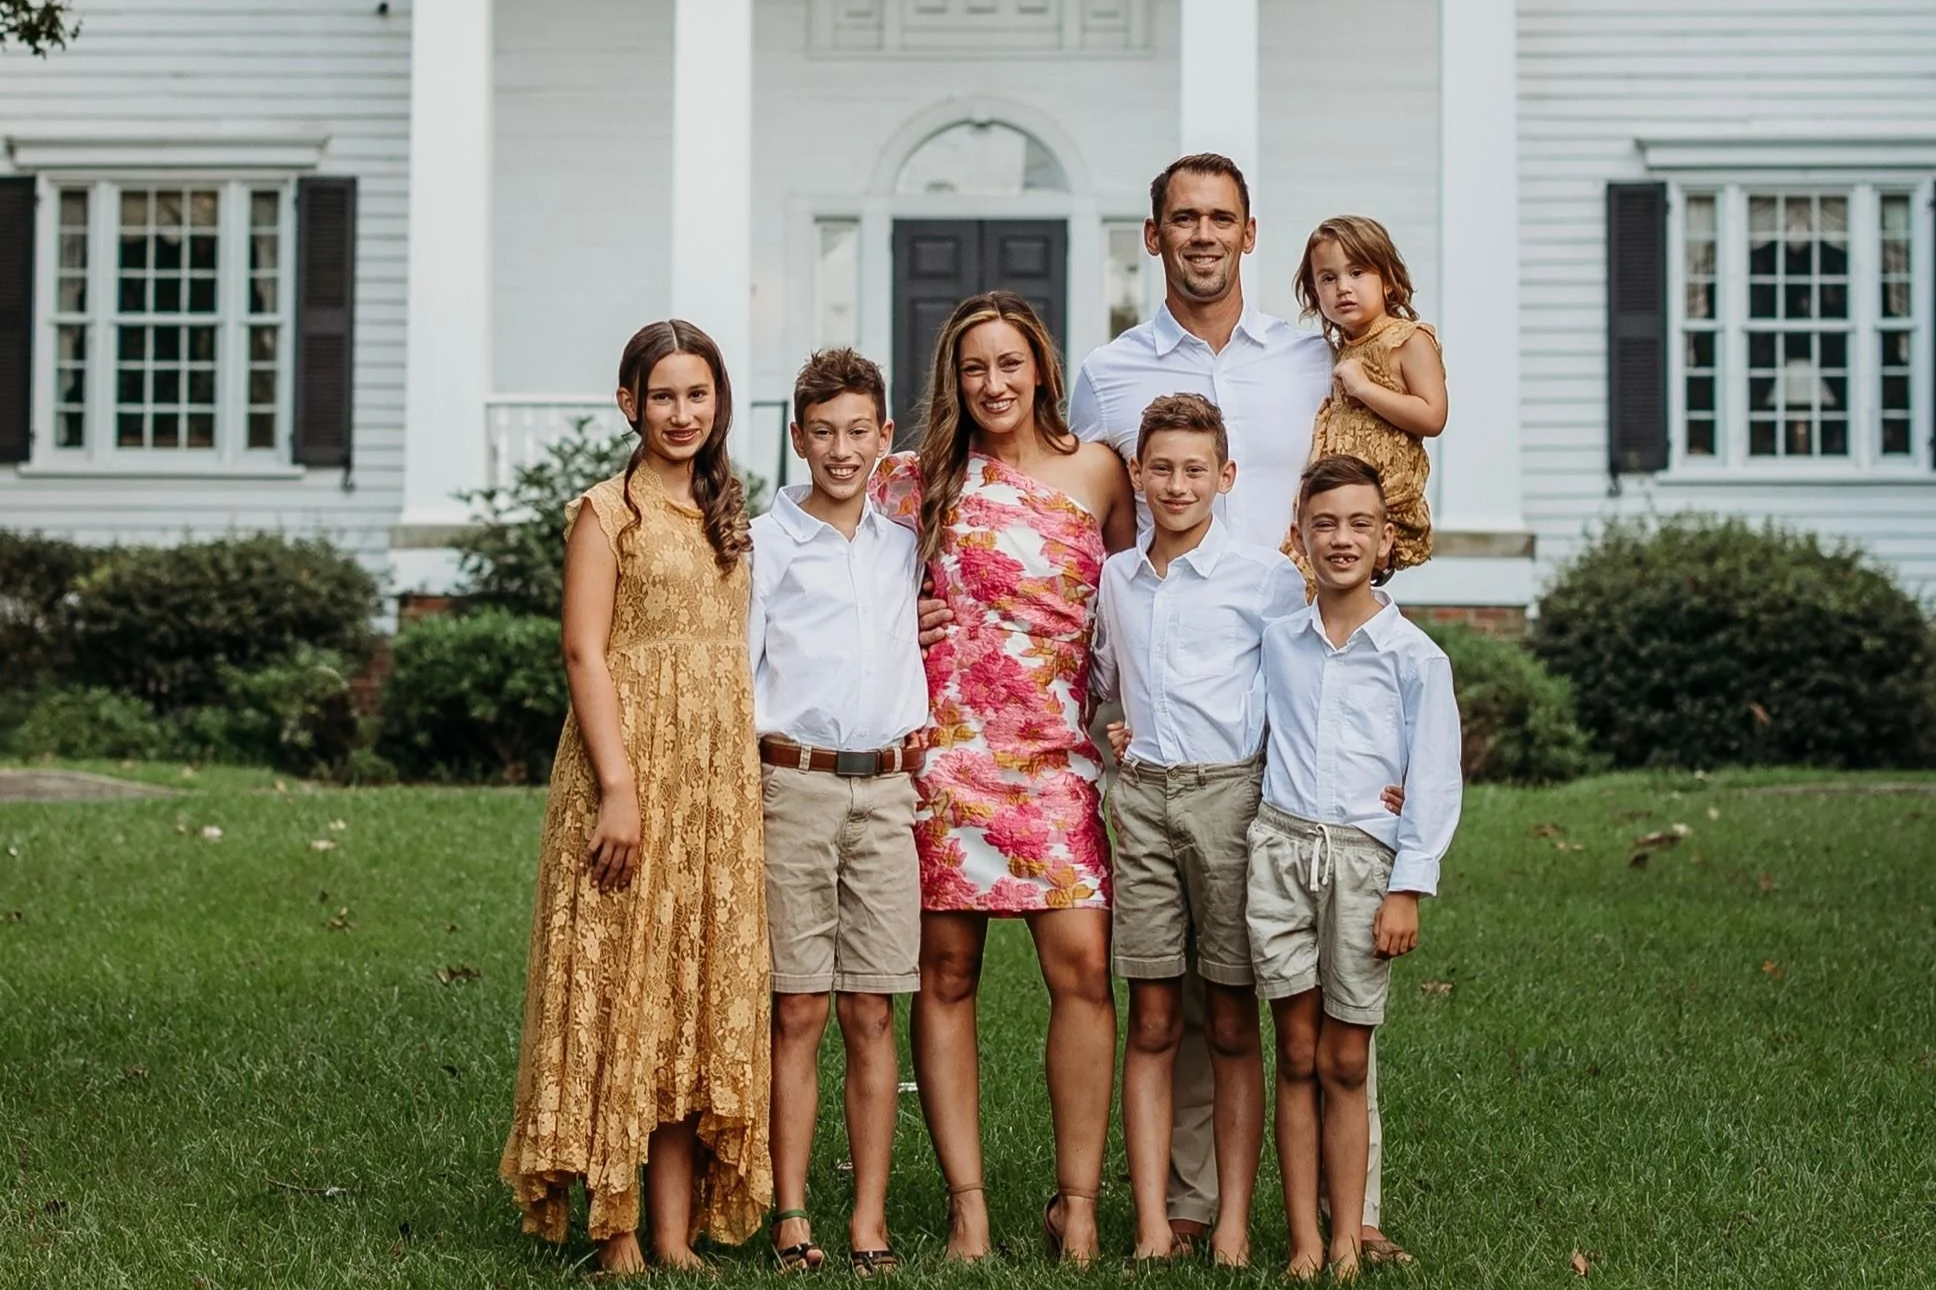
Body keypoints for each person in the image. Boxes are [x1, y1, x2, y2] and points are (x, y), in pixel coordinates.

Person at [1068, 153, 1411, 1266]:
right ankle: (1191, 1205)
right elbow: (1074, 509)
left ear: (1249, 234)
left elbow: (1392, 458)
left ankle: (1339, 1212)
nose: (1203, 235)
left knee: (1314, 975)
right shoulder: (1108, 374)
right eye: (1183, 219)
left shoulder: (1314, 354)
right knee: (1193, 992)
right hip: (1173, 701)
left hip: (1306, 697)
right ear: (1152, 235)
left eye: (1221, 218)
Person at [871, 290, 1136, 1265]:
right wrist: (904, 618)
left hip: (1058, 752)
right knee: (945, 975)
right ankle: (968, 1209)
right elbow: (843, 584)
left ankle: (1079, 1206)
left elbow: (1134, 598)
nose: (993, 383)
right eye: (975, 367)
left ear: (1042, 372)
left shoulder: (1100, 470)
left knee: (1081, 970)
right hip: (949, 753)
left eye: (1010, 365)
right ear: (954, 377)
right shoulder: (913, 478)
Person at [499, 320, 769, 1274]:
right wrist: (619, 787)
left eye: (699, 396)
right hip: (627, 771)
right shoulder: (606, 512)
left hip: (714, 784)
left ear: (718, 404)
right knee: (623, 986)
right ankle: (615, 1230)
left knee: (688, 994)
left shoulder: (727, 511)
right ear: (629, 405)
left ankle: (671, 1230)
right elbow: (583, 651)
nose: (683, 413)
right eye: (663, 396)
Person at [1088, 393, 1302, 1267]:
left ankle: (1234, 1227)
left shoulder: (1267, 577)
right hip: (1140, 802)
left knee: (1230, 1020)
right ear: (1136, 475)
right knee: (1152, 1018)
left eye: (1194, 470)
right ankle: (1147, 1225)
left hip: (1231, 802)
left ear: (1226, 477)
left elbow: (1303, 689)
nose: (1176, 485)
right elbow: (1106, 678)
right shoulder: (1118, 580)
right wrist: (1112, 727)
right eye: (1161, 468)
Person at [1250, 454, 1462, 1281]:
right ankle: (1305, 1239)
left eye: (1359, 525)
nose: (1341, 539)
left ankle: (1348, 1237)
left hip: (1366, 868)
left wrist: (1409, 885)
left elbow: (1435, 780)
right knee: (1295, 1054)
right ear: (1300, 536)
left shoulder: (1415, 658)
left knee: (1345, 1057)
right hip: (1280, 853)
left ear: (1386, 541)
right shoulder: (1278, 643)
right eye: (1325, 523)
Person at [748, 348, 926, 1277]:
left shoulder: (903, 546)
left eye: (860, 432)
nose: (842, 449)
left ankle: (868, 1218)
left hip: (888, 793)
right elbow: (743, 673)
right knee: (799, 1008)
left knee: (871, 1009)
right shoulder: (766, 543)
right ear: (797, 438)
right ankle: (790, 1213)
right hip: (797, 787)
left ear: (884, 437)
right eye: (824, 433)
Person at [1289, 216, 1448, 584]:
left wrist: (1365, 389)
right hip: (1336, 502)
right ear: (1315, 294)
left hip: (1383, 501)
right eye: (1328, 278)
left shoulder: (1408, 339)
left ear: (1388, 281)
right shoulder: (1340, 350)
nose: (1343, 287)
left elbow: (1433, 416)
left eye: (1357, 272)